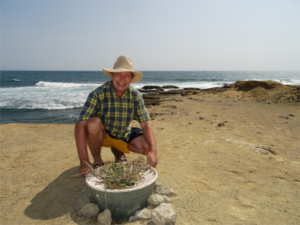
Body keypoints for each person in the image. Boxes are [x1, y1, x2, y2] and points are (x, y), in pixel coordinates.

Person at [75, 55, 157, 177]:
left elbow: (145, 123)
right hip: (103, 135)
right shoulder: (97, 93)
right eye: (118, 74)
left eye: (127, 75)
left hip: (123, 133)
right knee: (93, 123)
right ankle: (97, 160)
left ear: (131, 78)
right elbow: (80, 125)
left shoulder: (135, 96)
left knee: (146, 147)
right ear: (112, 75)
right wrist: (84, 161)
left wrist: (153, 151)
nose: (122, 79)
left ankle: (118, 152)